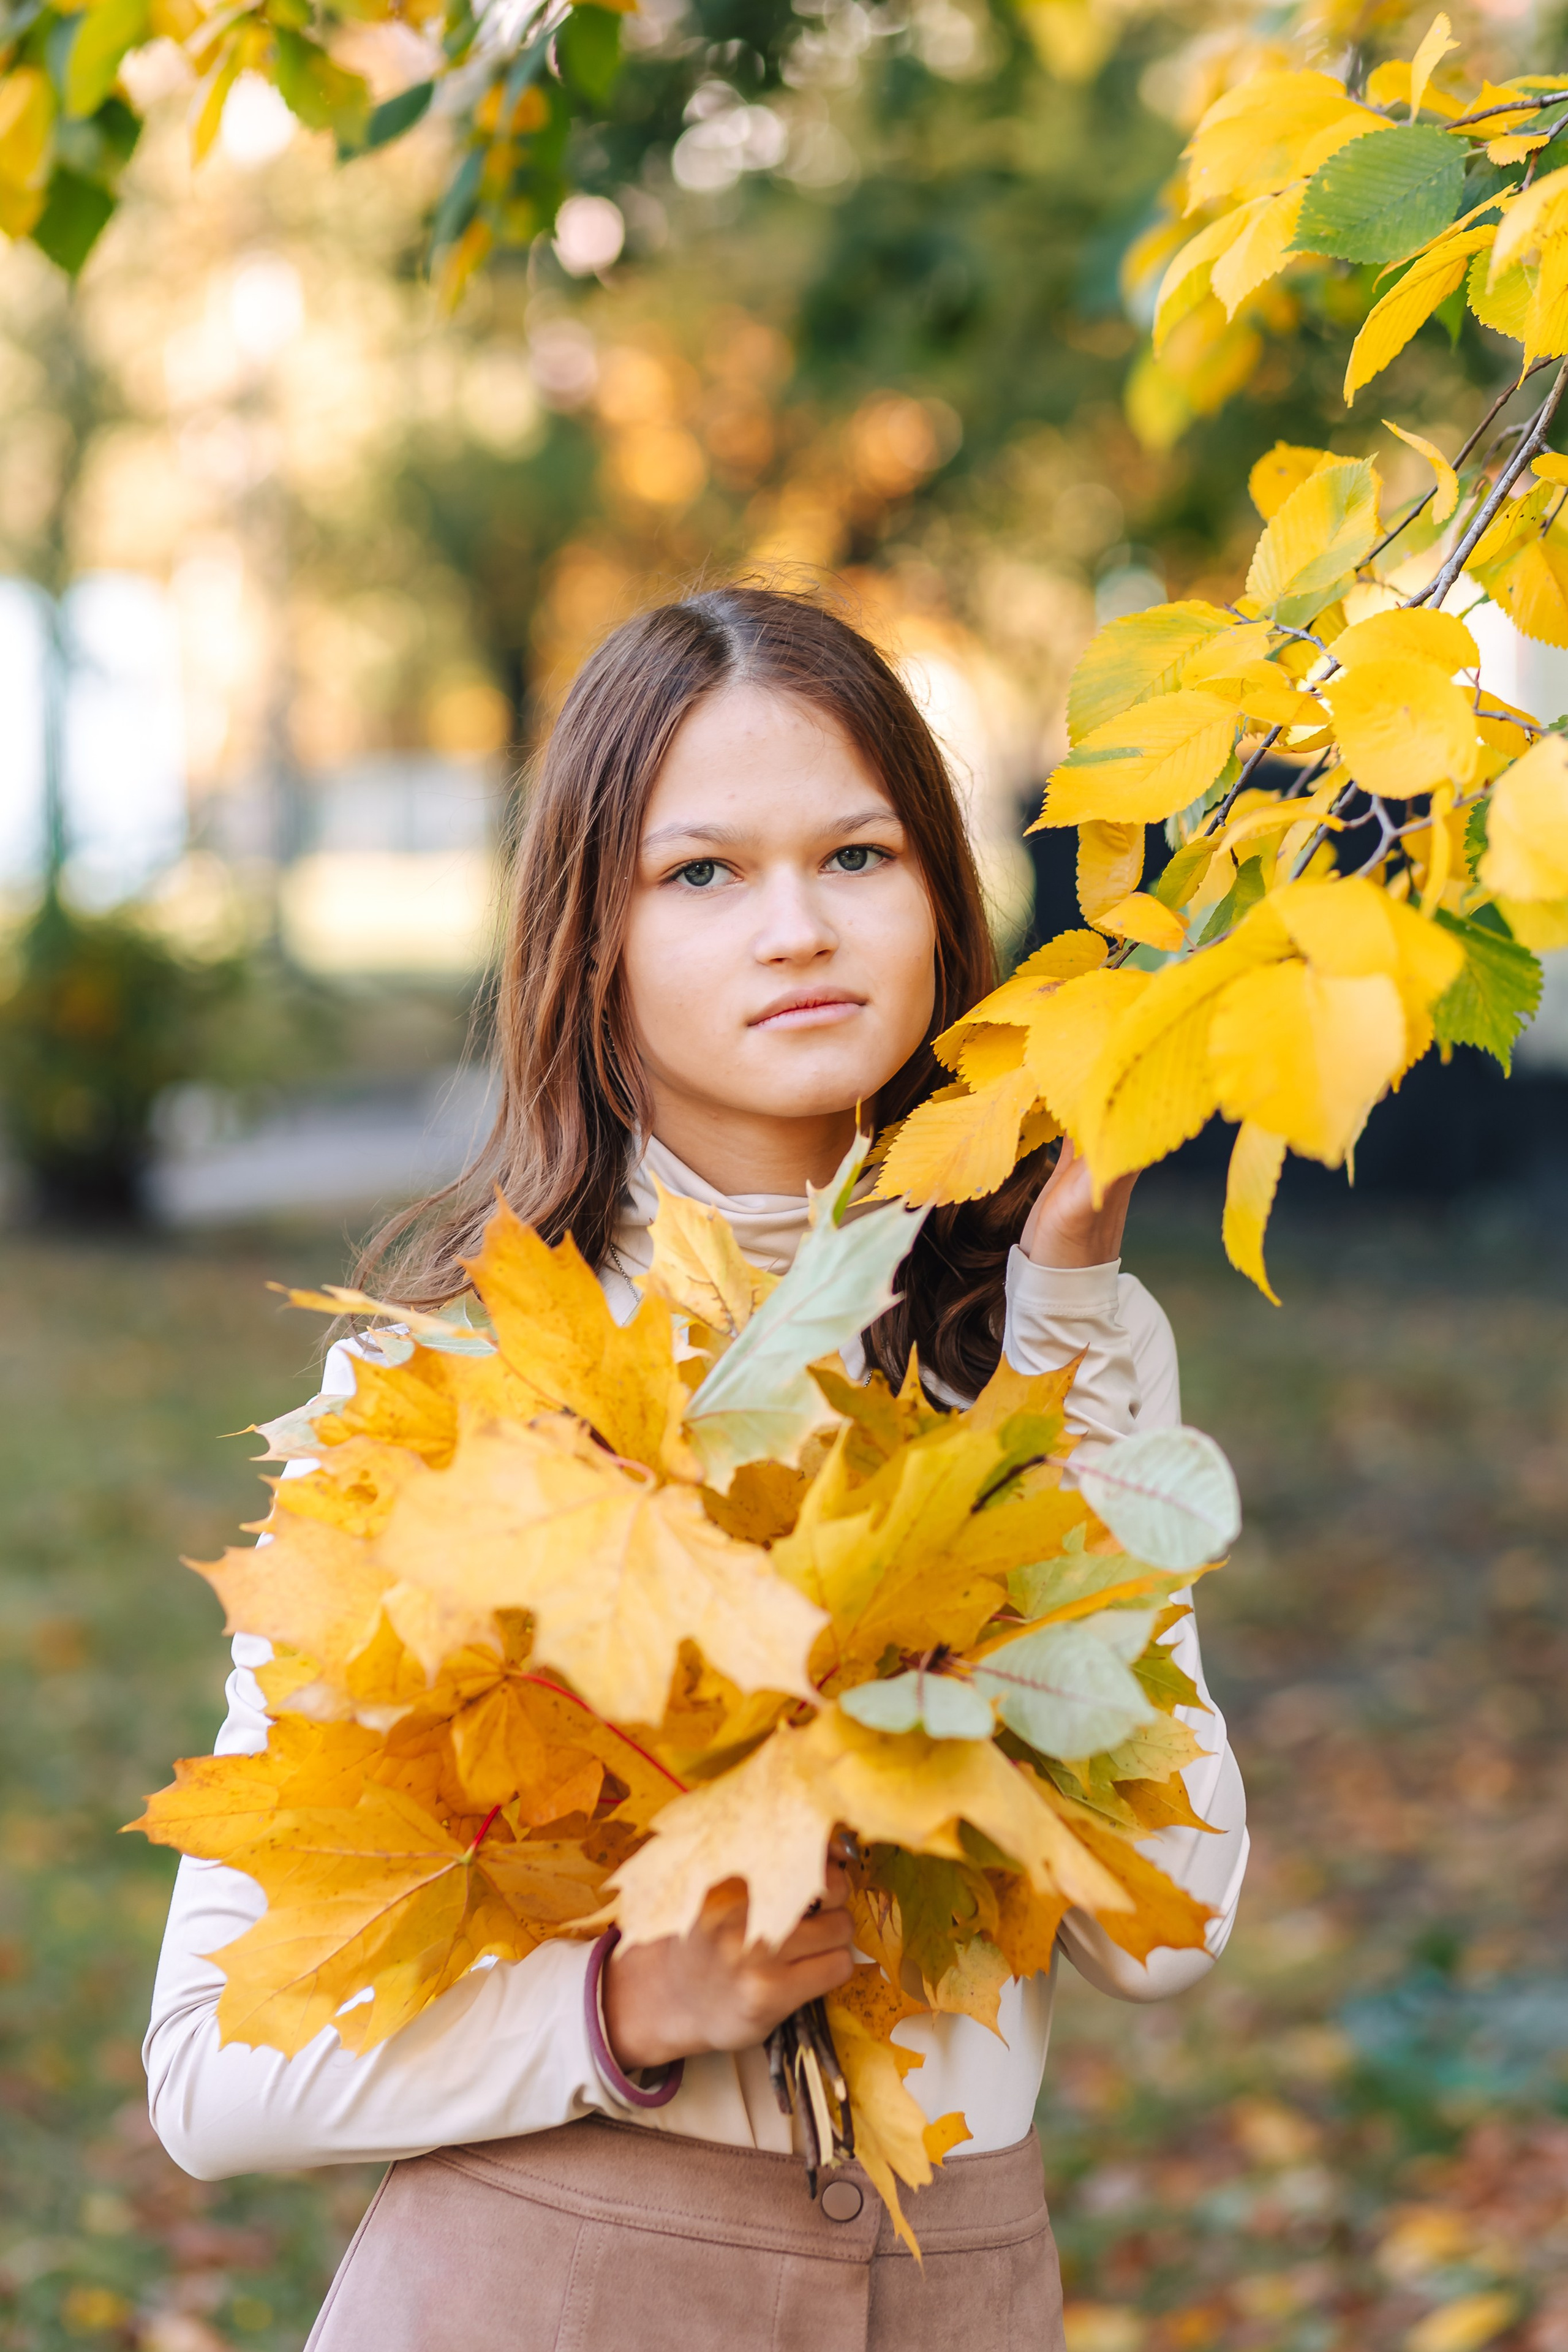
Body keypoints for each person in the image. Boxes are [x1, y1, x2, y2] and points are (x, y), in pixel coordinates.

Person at [143, 586, 1248, 2351]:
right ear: (597, 940)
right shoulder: (451, 1391)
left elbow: (1167, 1927)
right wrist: (618, 2007)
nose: (798, 928)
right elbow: (214, 2069)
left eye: (860, 856)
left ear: (942, 900)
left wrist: (1066, 1325)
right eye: (704, 875)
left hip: (958, 2286)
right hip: (551, 2285)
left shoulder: (1036, 1346)